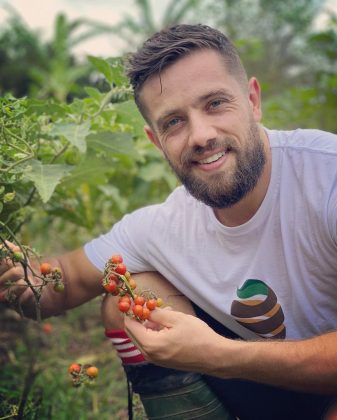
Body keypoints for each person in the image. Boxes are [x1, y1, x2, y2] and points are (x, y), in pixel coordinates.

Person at [1, 23, 337, 419]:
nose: (200, 135)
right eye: (173, 122)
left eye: (215, 103)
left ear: (252, 99)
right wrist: (14, 271)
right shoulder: (163, 226)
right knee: (130, 295)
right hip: (265, 392)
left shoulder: (326, 179)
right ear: (155, 140)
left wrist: (219, 355)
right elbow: (61, 281)